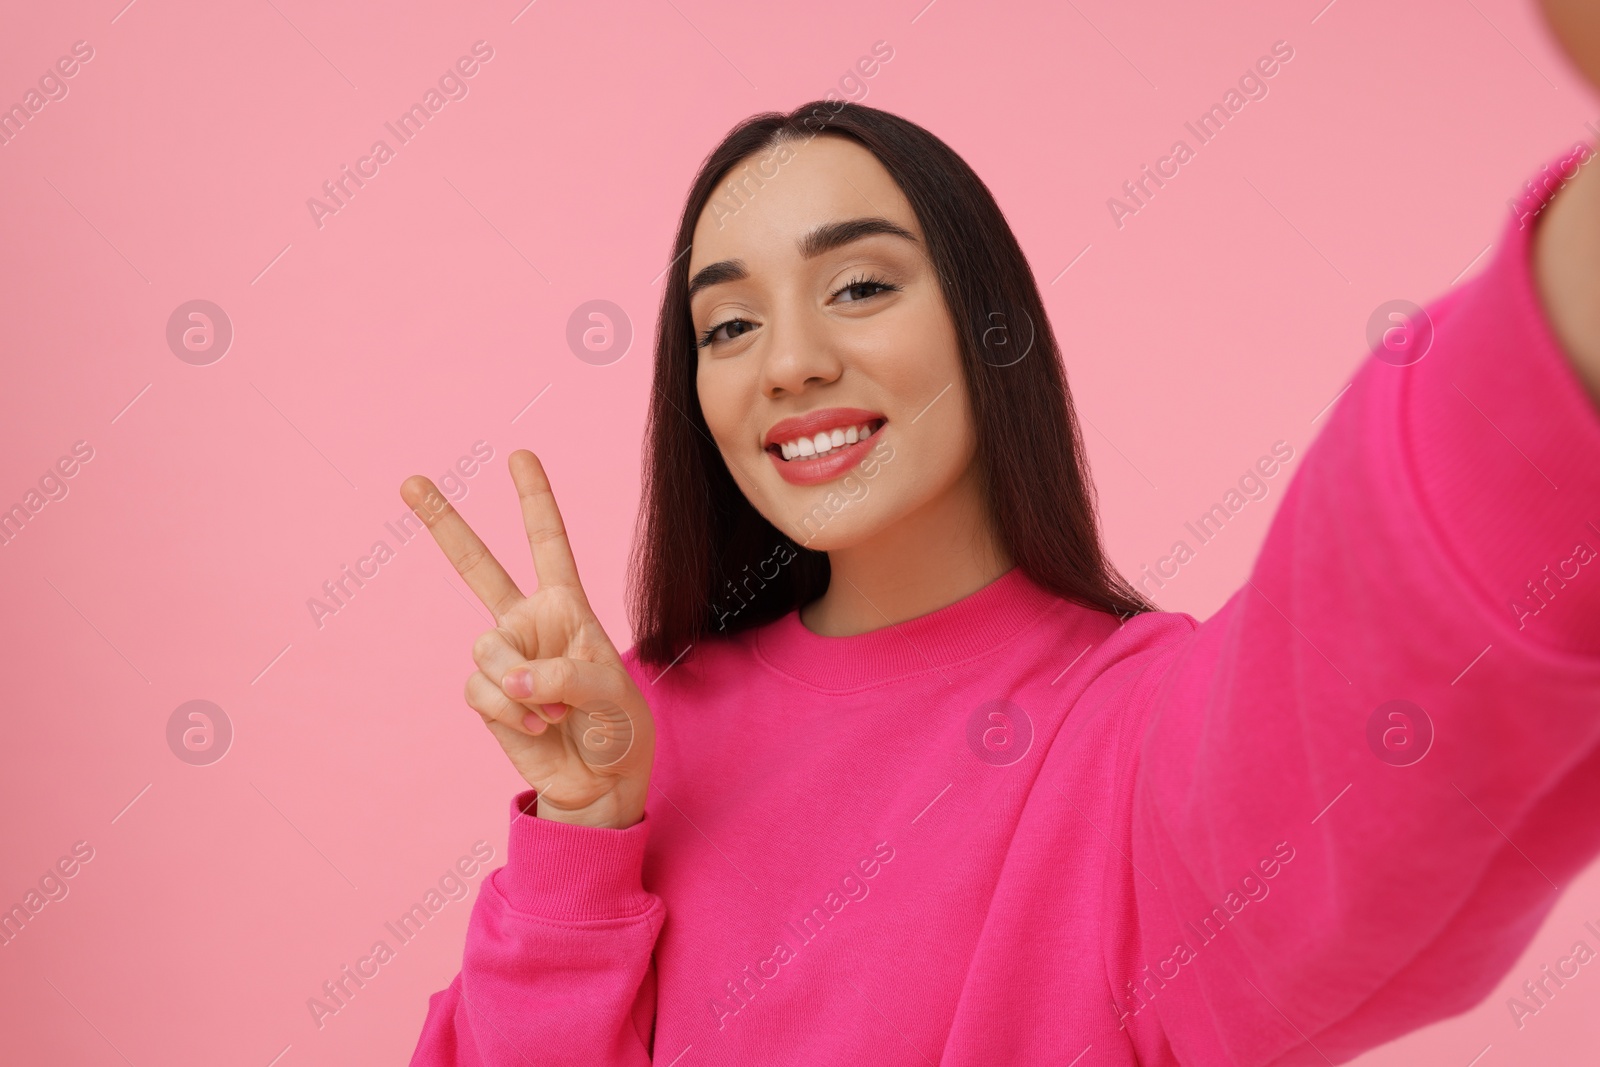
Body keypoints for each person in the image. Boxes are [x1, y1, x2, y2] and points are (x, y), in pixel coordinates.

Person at [401, 8, 1600, 1063]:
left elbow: (1374, 677)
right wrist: (580, 835)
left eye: (860, 286)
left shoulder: (1136, 734)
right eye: (725, 326)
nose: (790, 362)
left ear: (991, 327)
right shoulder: (637, 740)